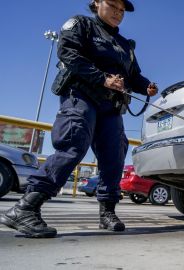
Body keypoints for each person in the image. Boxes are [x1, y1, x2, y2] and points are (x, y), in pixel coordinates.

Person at [0, 0, 157, 238]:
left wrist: (146, 87)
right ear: (96, 3)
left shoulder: (125, 45)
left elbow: (133, 75)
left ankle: (107, 212)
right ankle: (25, 207)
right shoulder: (81, 25)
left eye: (122, 10)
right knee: (74, 144)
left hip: (111, 106)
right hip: (81, 95)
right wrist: (102, 78)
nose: (118, 12)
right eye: (113, 5)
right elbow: (68, 53)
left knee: (115, 154)